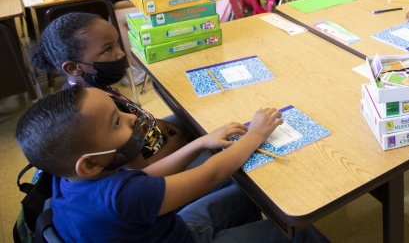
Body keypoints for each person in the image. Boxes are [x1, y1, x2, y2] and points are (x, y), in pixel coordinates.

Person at [15, 85, 327, 243]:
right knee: (299, 229)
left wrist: (199, 143)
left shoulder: (67, 176)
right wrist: (257, 133)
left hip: (160, 232)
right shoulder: (123, 198)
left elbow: (143, 174)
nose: (133, 117)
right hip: (184, 238)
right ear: (88, 164)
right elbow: (211, 173)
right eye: (116, 123)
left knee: (253, 192)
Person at [29, 13, 189, 169]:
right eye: (107, 50)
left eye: (117, 44)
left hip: (155, 142)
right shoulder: (98, 112)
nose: (120, 53)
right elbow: (141, 174)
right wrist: (179, 144)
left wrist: (155, 123)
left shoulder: (89, 87)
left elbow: (134, 115)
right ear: (73, 67)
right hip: (159, 170)